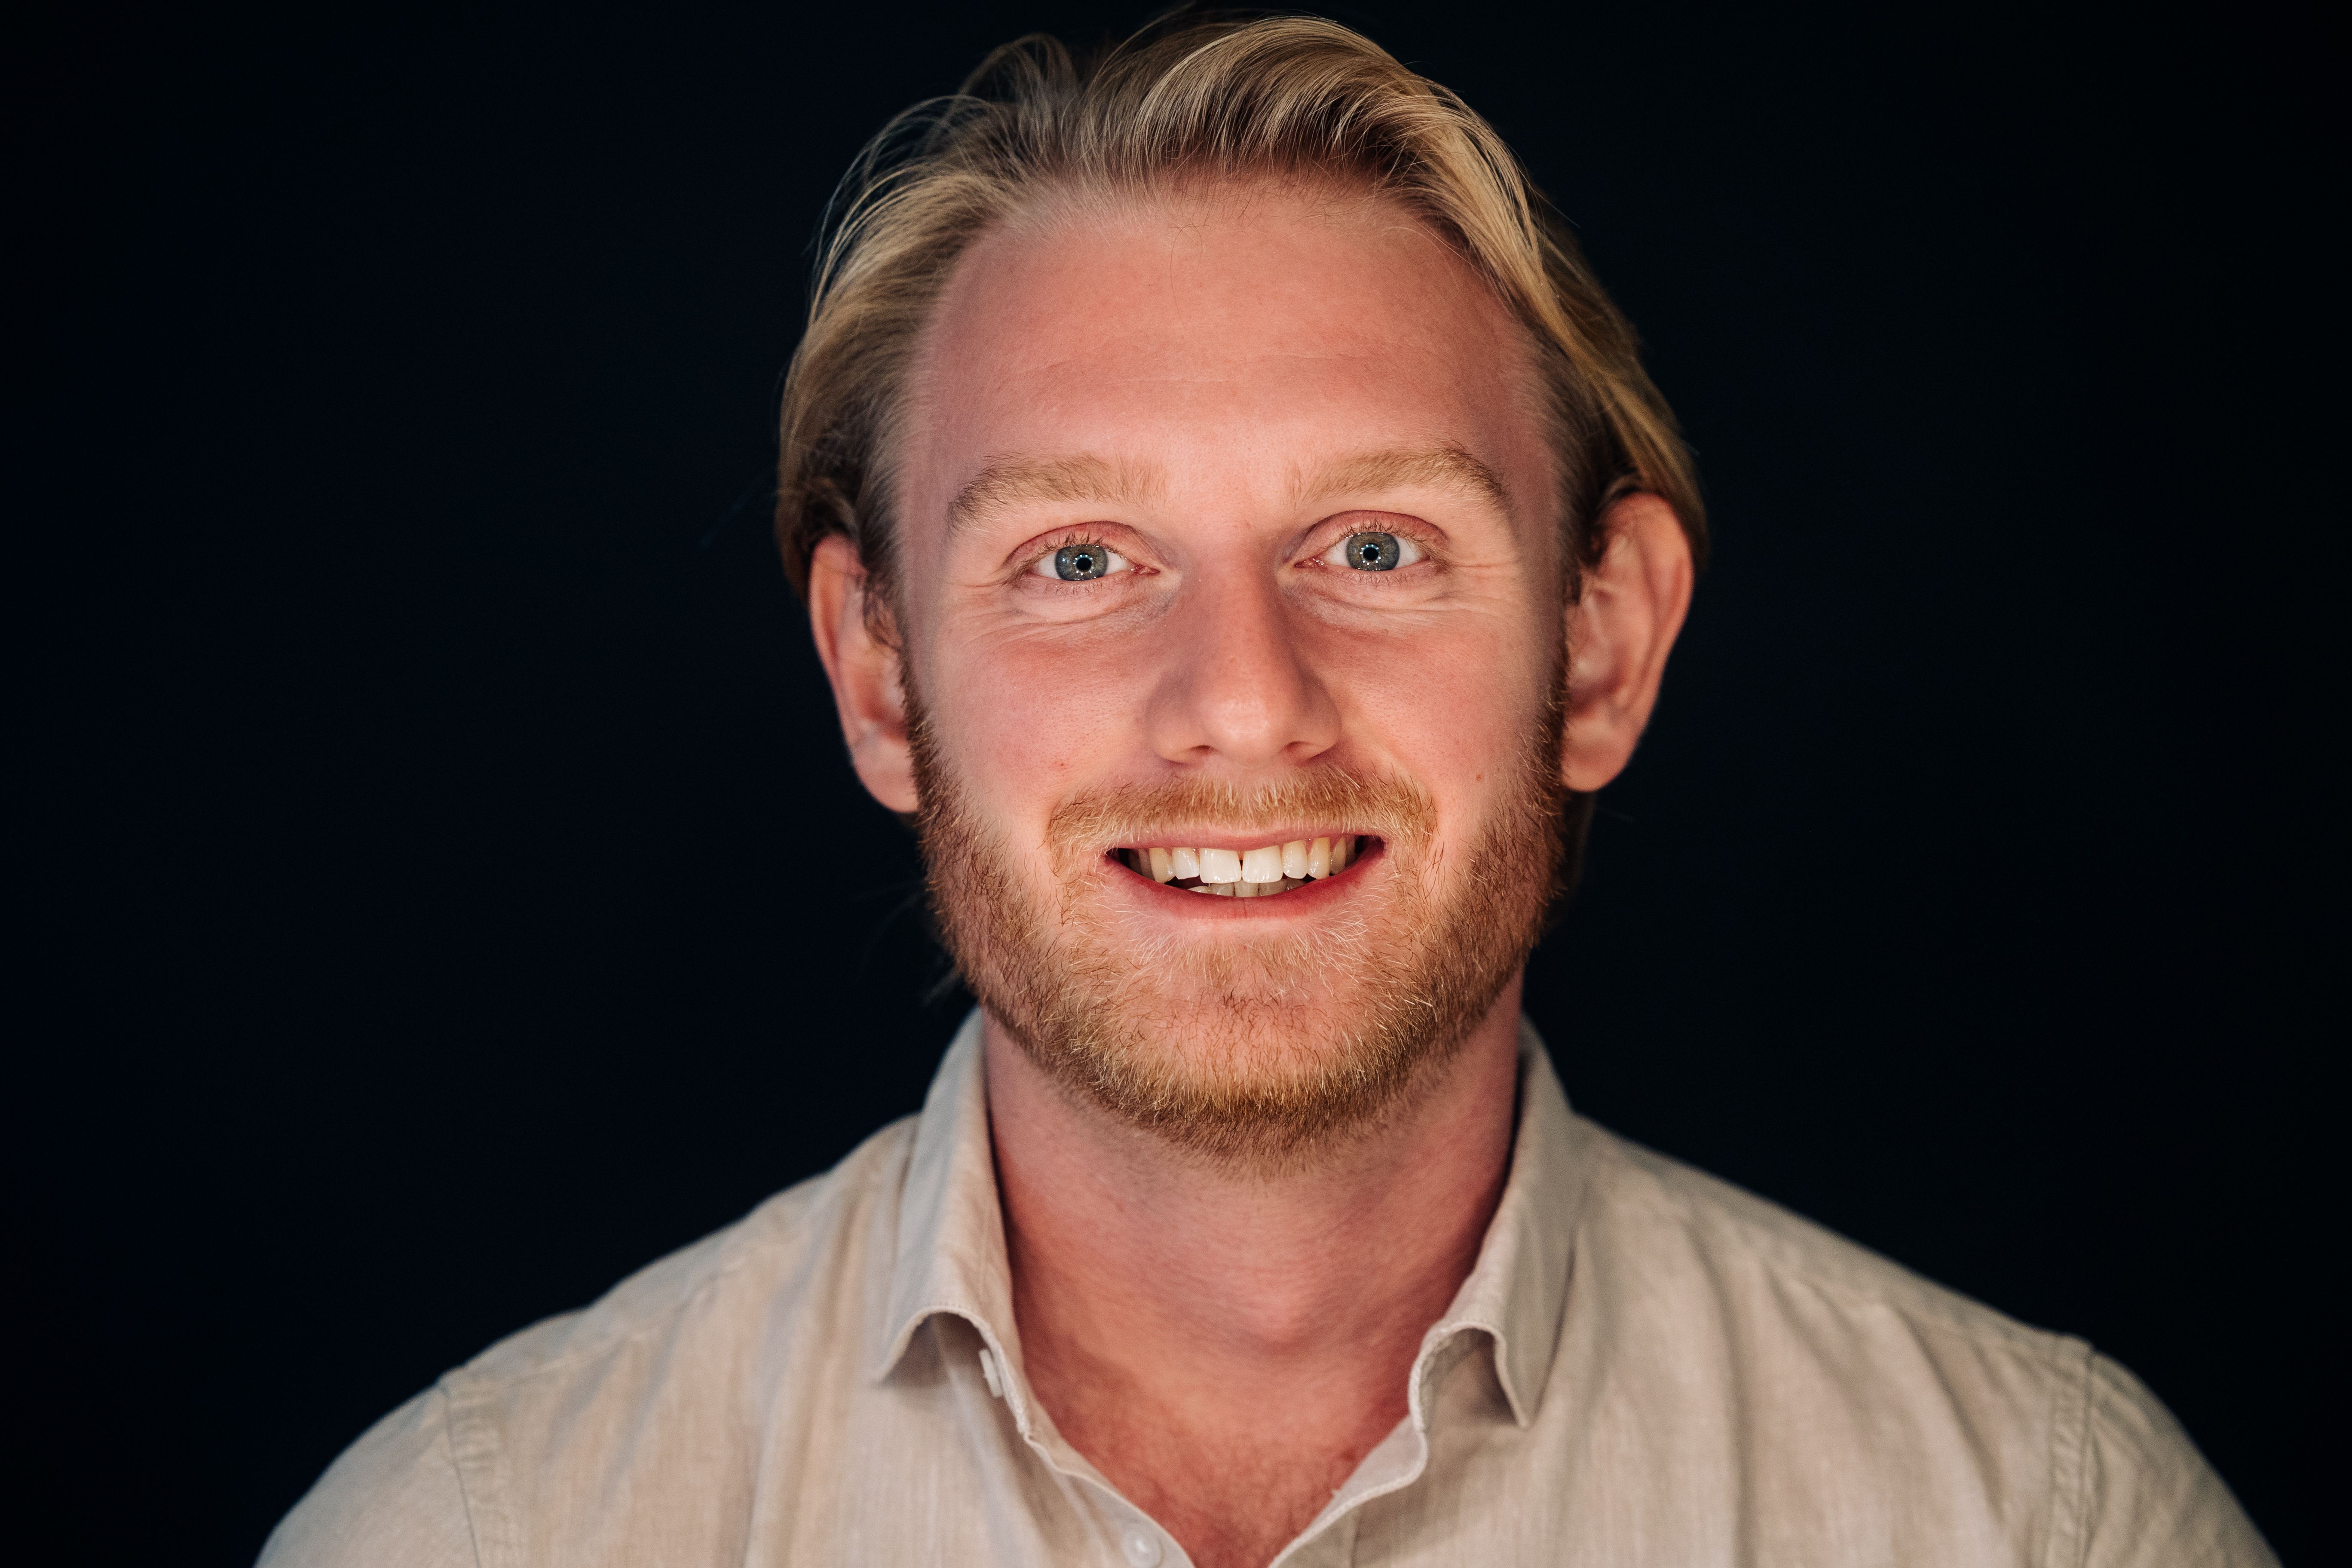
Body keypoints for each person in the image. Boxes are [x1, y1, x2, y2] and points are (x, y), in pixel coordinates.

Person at [260, 16, 2271, 1567]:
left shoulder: (2045, 1523)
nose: (1241, 701)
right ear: (879, 675)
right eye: (1079, 560)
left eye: (1377, 547)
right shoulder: (475, 1536)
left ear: (1601, 649)